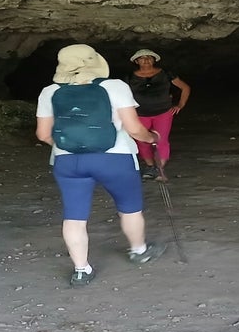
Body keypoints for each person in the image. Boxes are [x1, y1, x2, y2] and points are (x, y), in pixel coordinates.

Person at [35, 44, 166, 286]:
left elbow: (43, 134)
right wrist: (153, 138)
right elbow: (135, 129)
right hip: (115, 158)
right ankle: (139, 251)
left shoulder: (49, 92)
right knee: (129, 208)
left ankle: (81, 270)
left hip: (67, 161)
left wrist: (70, 146)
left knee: (74, 216)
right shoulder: (114, 87)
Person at [126, 48, 191, 181]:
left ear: (154, 60)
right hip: (140, 114)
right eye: (142, 58)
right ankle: (151, 167)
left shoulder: (166, 73)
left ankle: (160, 168)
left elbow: (185, 87)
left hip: (163, 112)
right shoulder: (129, 77)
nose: (146, 60)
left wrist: (180, 105)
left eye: (149, 57)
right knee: (142, 140)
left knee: (162, 140)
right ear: (136, 61)